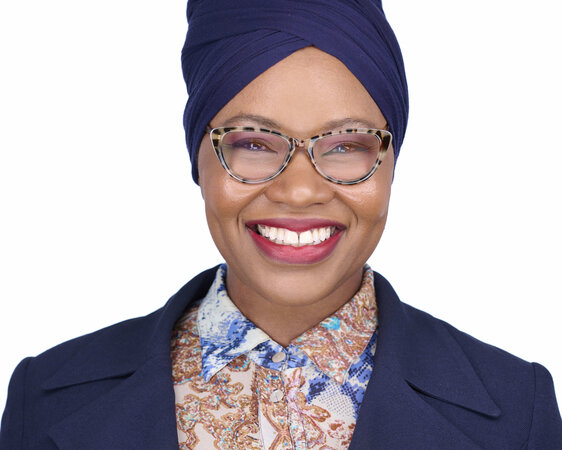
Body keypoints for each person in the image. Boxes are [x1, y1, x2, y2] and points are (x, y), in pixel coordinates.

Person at [1, 0, 561, 448]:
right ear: (198, 159)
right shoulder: (45, 399)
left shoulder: (519, 413)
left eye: (346, 144)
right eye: (252, 143)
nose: (298, 190)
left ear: (391, 164)